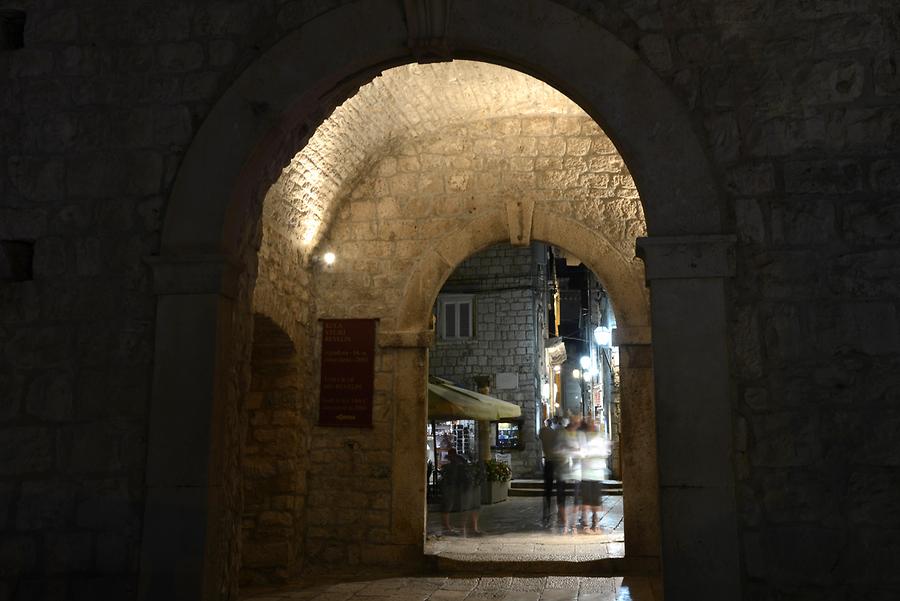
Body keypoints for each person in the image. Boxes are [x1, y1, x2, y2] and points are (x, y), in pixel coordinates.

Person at [579, 417, 610, 533]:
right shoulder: (582, 437)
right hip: (586, 472)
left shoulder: (602, 436)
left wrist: (591, 453)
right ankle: (586, 523)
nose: (593, 425)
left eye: (594, 423)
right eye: (591, 423)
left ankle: (595, 522)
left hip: (597, 472)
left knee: (596, 499)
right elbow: (582, 452)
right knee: (586, 499)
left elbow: (606, 452)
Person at [554, 415, 583, 535]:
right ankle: (565, 523)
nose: (576, 424)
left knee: (577, 496)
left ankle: (574, 523)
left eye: (577, 423)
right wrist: (567, 451)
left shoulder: (580, 435)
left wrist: (575, 452)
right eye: (574, 422)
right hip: (563, 469)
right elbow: (556, 450)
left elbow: (584, 451)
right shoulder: (561, 434)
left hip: (576, 470)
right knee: (561, 497)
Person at [539, 417, 560, 527]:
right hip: (556, 461)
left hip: (548, 461)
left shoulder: (542, 432)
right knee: (559, 484)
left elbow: (540, 437)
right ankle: (559, 508)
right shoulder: (554, 433)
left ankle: (547, 506)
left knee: (548, 486)